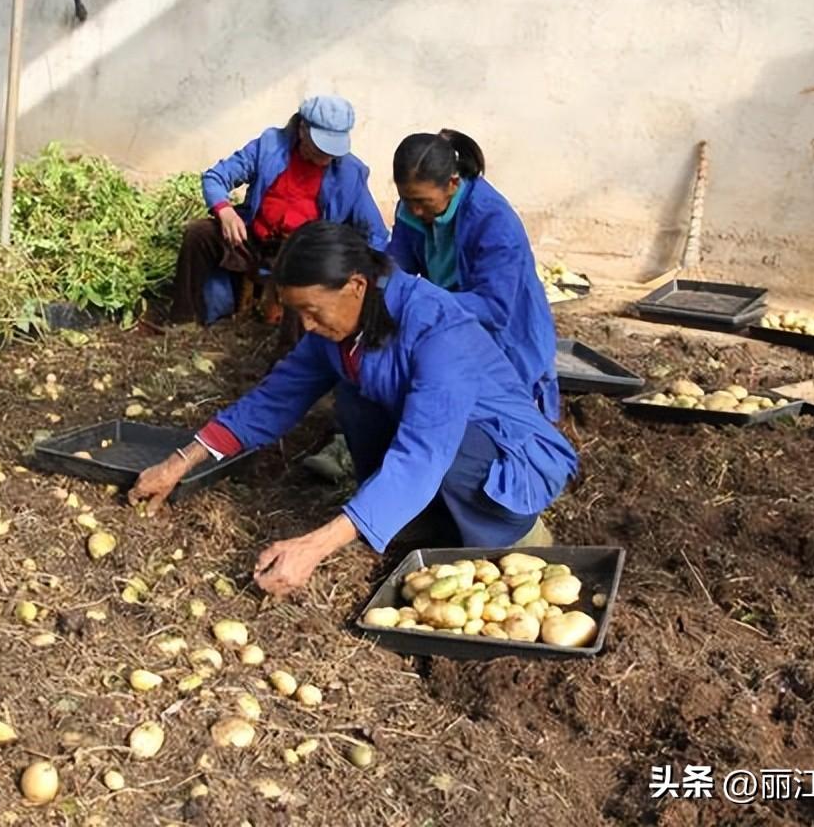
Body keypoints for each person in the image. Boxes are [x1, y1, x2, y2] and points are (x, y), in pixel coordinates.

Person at [132, 221, 578, 597]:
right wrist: (178, 464)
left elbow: (422, 455)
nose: (306, 325)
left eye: (311, 311)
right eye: (297, 313)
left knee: (450, 440)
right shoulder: (342, 332)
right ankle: (418, 520)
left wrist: (315, 545)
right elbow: (273, 400)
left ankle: (519, 538)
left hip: (509, 459)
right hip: (436, 455)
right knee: (355, 392)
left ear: (356, 286)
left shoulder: (439, 329)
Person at [168, 95, 388, 326]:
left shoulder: (350, 173)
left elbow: (376, 233)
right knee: (199, 234)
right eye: (321, 148)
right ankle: (183, 320)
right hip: (254, 238)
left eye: (332, 151)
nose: (326, 157)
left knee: (308, 273)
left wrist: (372, 279)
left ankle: (288, 351)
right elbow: (215, 177)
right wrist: (225, 211)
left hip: (302, 253)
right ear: (303, 130)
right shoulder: (270, 145)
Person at [389, 129, 560, 421]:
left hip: (506, 342)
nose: (415, 209)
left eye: (423, 201)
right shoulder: (411, 210)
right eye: (407, 199)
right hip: (450, 321)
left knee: (491, 423)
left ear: (453, 184)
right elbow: (396, 267)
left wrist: (421, 299)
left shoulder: (494, 221)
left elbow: (494, 309)